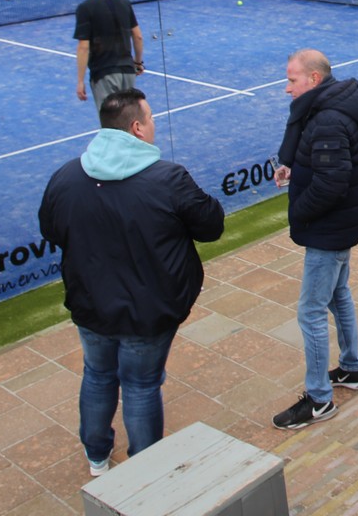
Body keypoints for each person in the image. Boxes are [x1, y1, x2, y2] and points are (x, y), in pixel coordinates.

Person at [38, 89, 224, 475]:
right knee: (141, 385)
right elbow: (211, 226)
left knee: (97, 374)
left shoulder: (66, 176)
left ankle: (96, 456)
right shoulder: (168, 179)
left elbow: (51, 230)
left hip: (91, 305)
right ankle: (145, 471)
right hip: (148, 310)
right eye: (151, 117)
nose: (155, 123)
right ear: (137, 128)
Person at [272, 49, 358, 430]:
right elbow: (324, 167)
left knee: (310, 310)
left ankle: (319, 399)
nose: (287, 89)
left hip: (328, 230)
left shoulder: (328, 120)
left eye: (292, 80)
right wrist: (295, 170)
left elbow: (331, 184)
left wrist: (297, 210)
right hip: (338, 225)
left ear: (314, 79)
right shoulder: (326, 109)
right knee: (337, 295)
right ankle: (352, 369)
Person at [74, 0, 146, 111]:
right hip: (128, 72)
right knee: (128, 117)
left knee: (111, 121)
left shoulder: (85, 8)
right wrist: (138, 63)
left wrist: (80, 81)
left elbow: (83, 47)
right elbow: (138, 36)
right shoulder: (124, 2)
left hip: (104, 74)